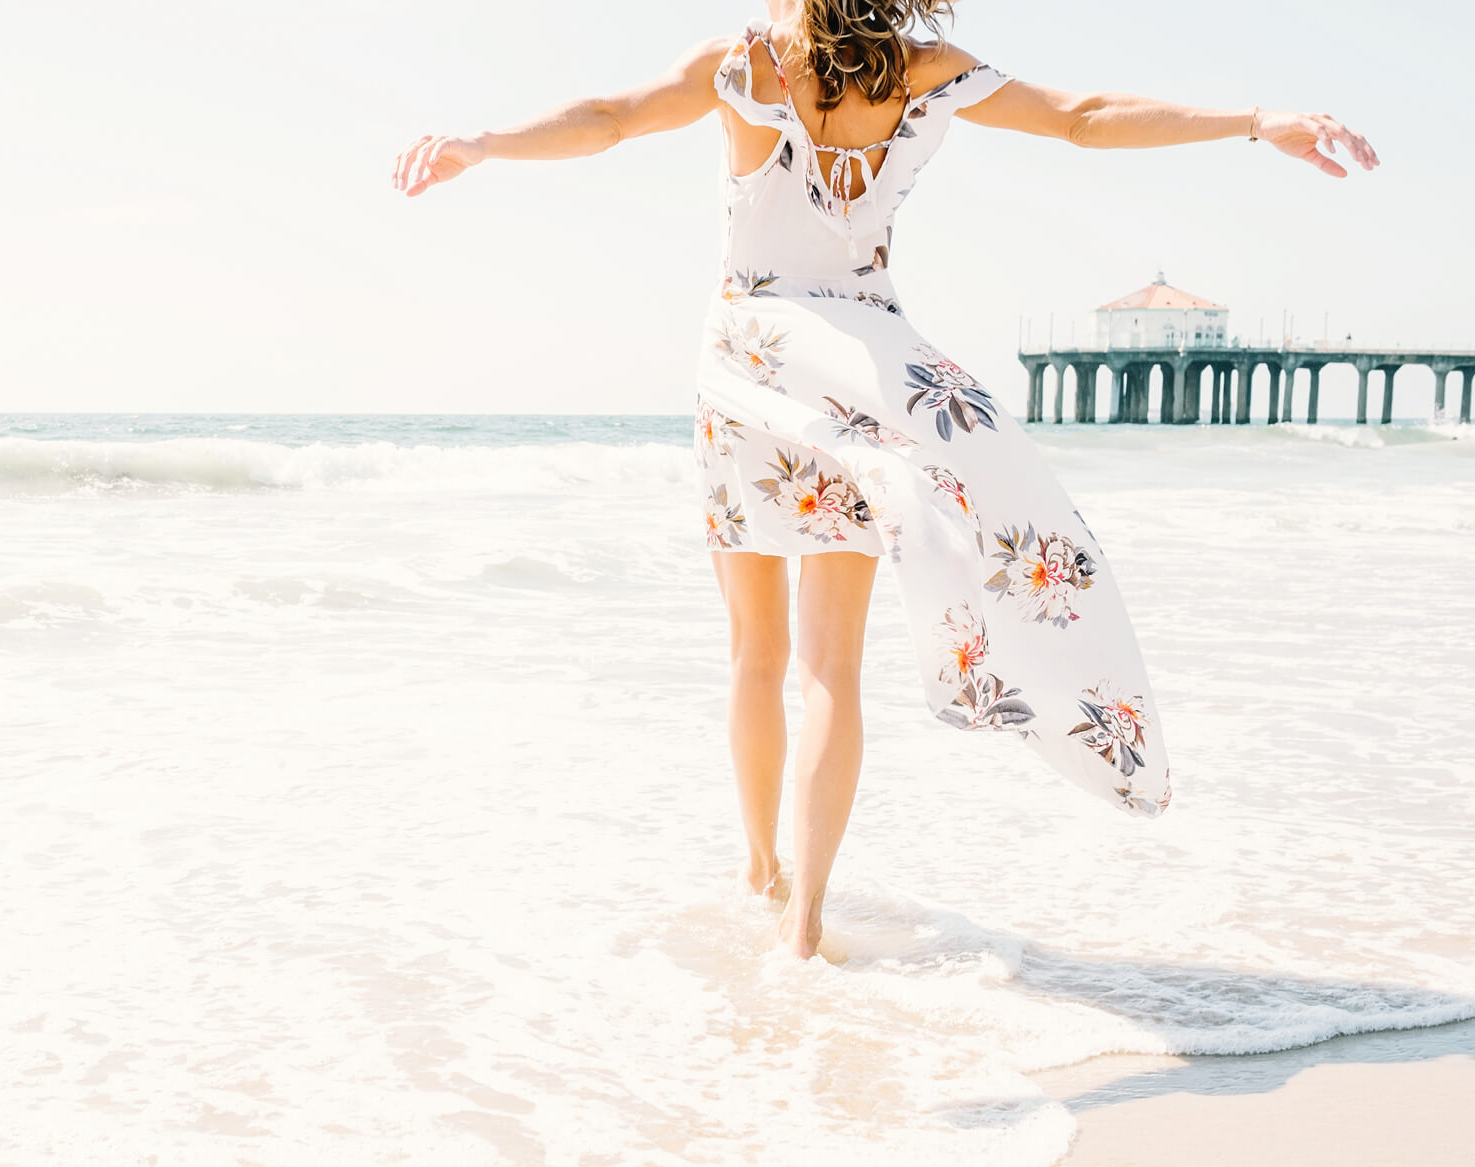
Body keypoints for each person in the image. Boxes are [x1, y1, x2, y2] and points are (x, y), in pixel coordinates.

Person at [390, 0, 1376, 958]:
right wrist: (1253, 123)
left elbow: (606, 119)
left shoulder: (739, 66)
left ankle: (755, 869)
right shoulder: (918, 72)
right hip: (869, 376)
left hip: (748, 366)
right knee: (831, 668)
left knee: (754, 657)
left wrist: (479, 143)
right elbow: (1082, 119)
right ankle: (802, 919)